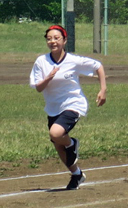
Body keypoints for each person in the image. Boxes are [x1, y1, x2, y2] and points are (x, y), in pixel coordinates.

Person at [29, 25, 107, 190]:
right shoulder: (41, 61)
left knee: (56, 133)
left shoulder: (73, 60)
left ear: (64, 40)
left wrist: (103, 89)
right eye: (49, 38)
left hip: (73, 103)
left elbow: (98, 66)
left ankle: (72, 143)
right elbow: (38, 87)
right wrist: (48, 77)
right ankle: (77, 174)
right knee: (58, 144)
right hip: (53, 107)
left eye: (57, 38)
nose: (53, 41)